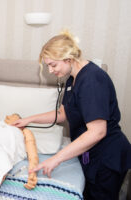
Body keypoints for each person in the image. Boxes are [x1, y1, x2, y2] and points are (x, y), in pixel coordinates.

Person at [12, 31, 131, 200]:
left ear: (68, 59)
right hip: (92, 153)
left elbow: (98, 132)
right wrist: (28, 119)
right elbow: (62, 113)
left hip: (107, 156)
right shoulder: (72, 79)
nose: (50, 71)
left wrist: (56, 159)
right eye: (48, 66)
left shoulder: (92, 80)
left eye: (53, 65)